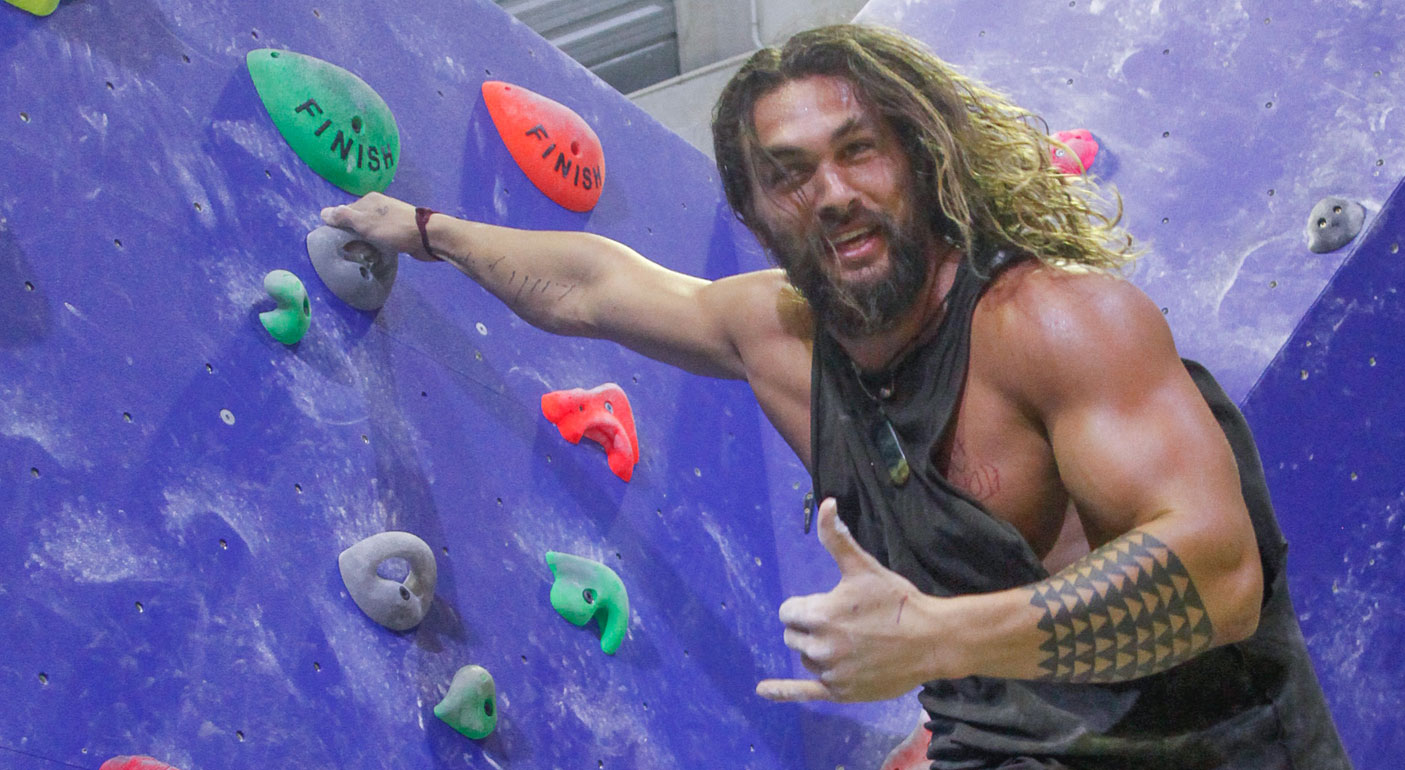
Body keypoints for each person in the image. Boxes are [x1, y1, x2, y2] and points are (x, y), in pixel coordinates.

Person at [321, 24, 1350, 770]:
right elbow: (593, 286)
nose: (836, 194)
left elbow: (1219, 578)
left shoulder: (1055, 325)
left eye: (859, 151)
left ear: (921, 162)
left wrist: (941, 638)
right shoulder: (777, 335)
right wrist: (430, 231)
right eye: (789, 173)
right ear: (757, 211)